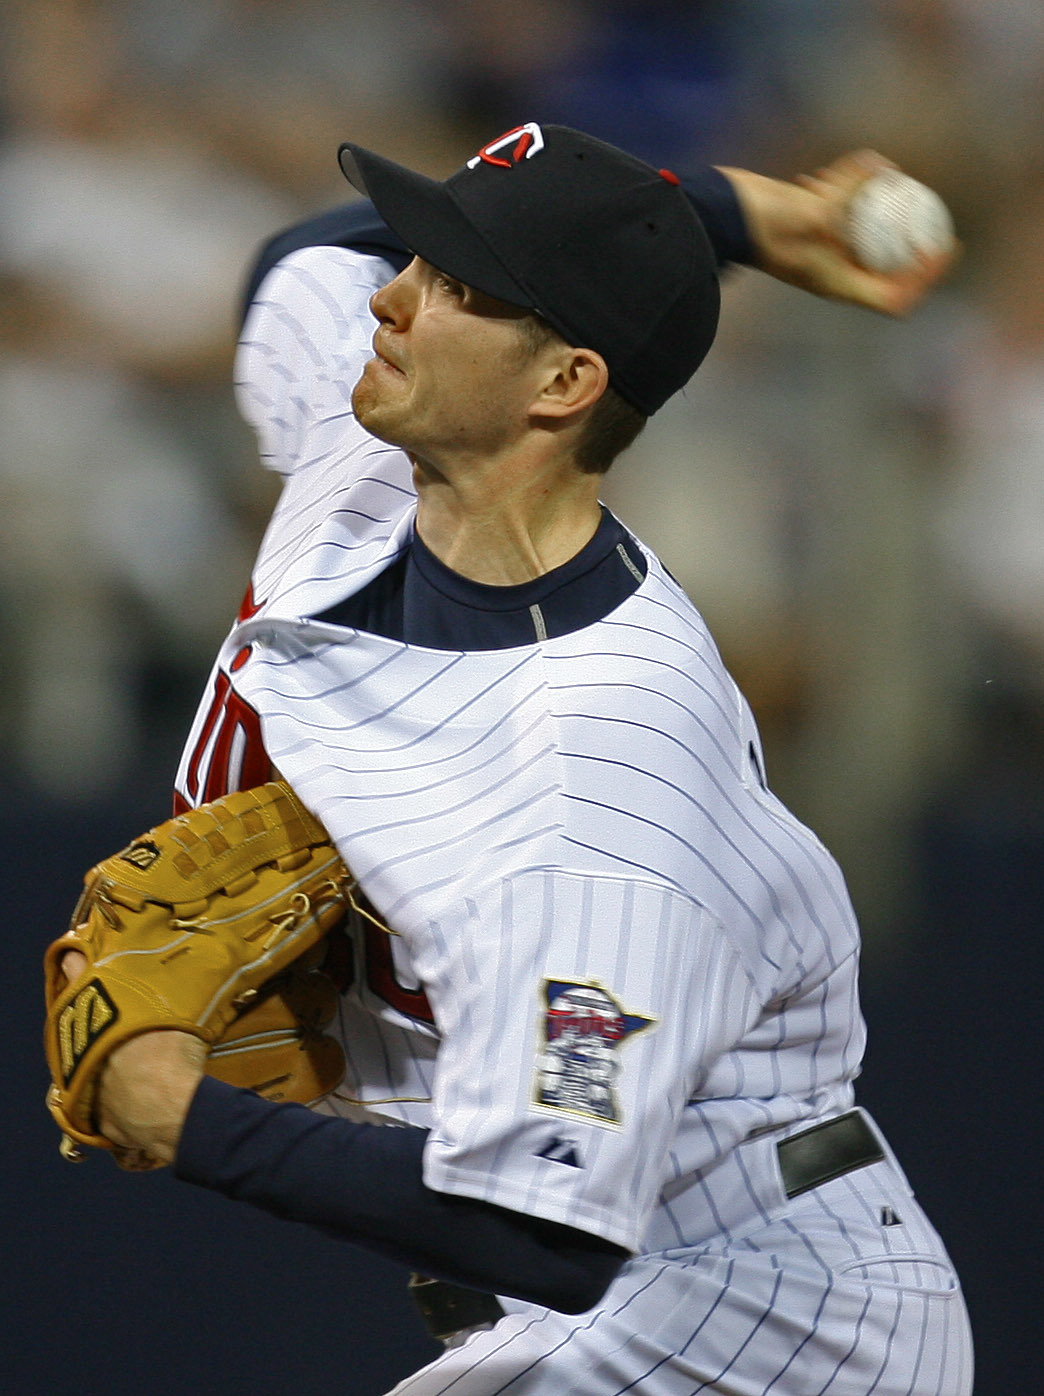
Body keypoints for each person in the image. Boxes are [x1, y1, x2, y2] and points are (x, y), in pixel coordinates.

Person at [61, 123, 972, 1394]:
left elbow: (539, 1224)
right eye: (421, 255)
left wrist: (178, 1114)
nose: (392, 294)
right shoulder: (379, 445)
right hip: (621, 1294)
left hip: (742, 1320)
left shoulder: (596, 760)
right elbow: (303, 259)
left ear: (561, 387)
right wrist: (716, 216)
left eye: (455, 284)